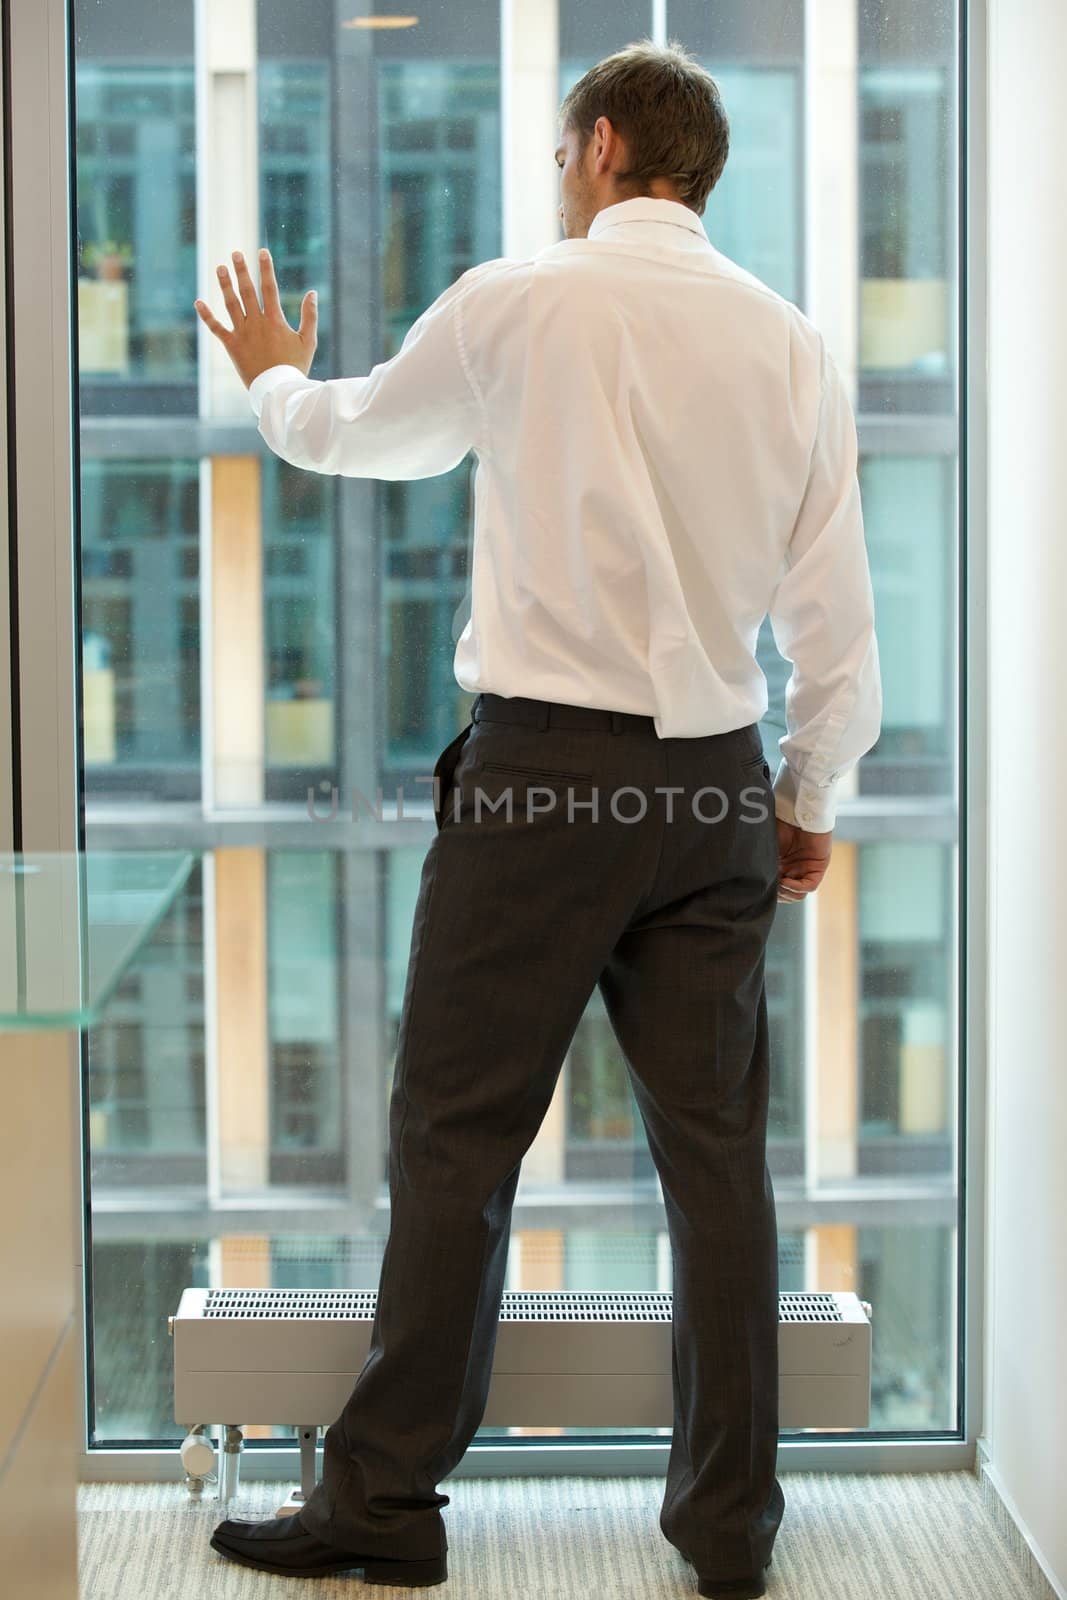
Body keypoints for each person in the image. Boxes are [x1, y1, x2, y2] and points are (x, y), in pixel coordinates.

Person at [195, 36, 881, 1600]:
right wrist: (805, 791)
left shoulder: (518, 300)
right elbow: (834, 622)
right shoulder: (792, 348)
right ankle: (728, 1537)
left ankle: (382, 1506)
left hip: (542, 789)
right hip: (714, 786)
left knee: (457, 1143)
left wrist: (272, 376)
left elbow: (358, 430)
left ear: (597, 148)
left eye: (562, 148)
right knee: (718, 1169)